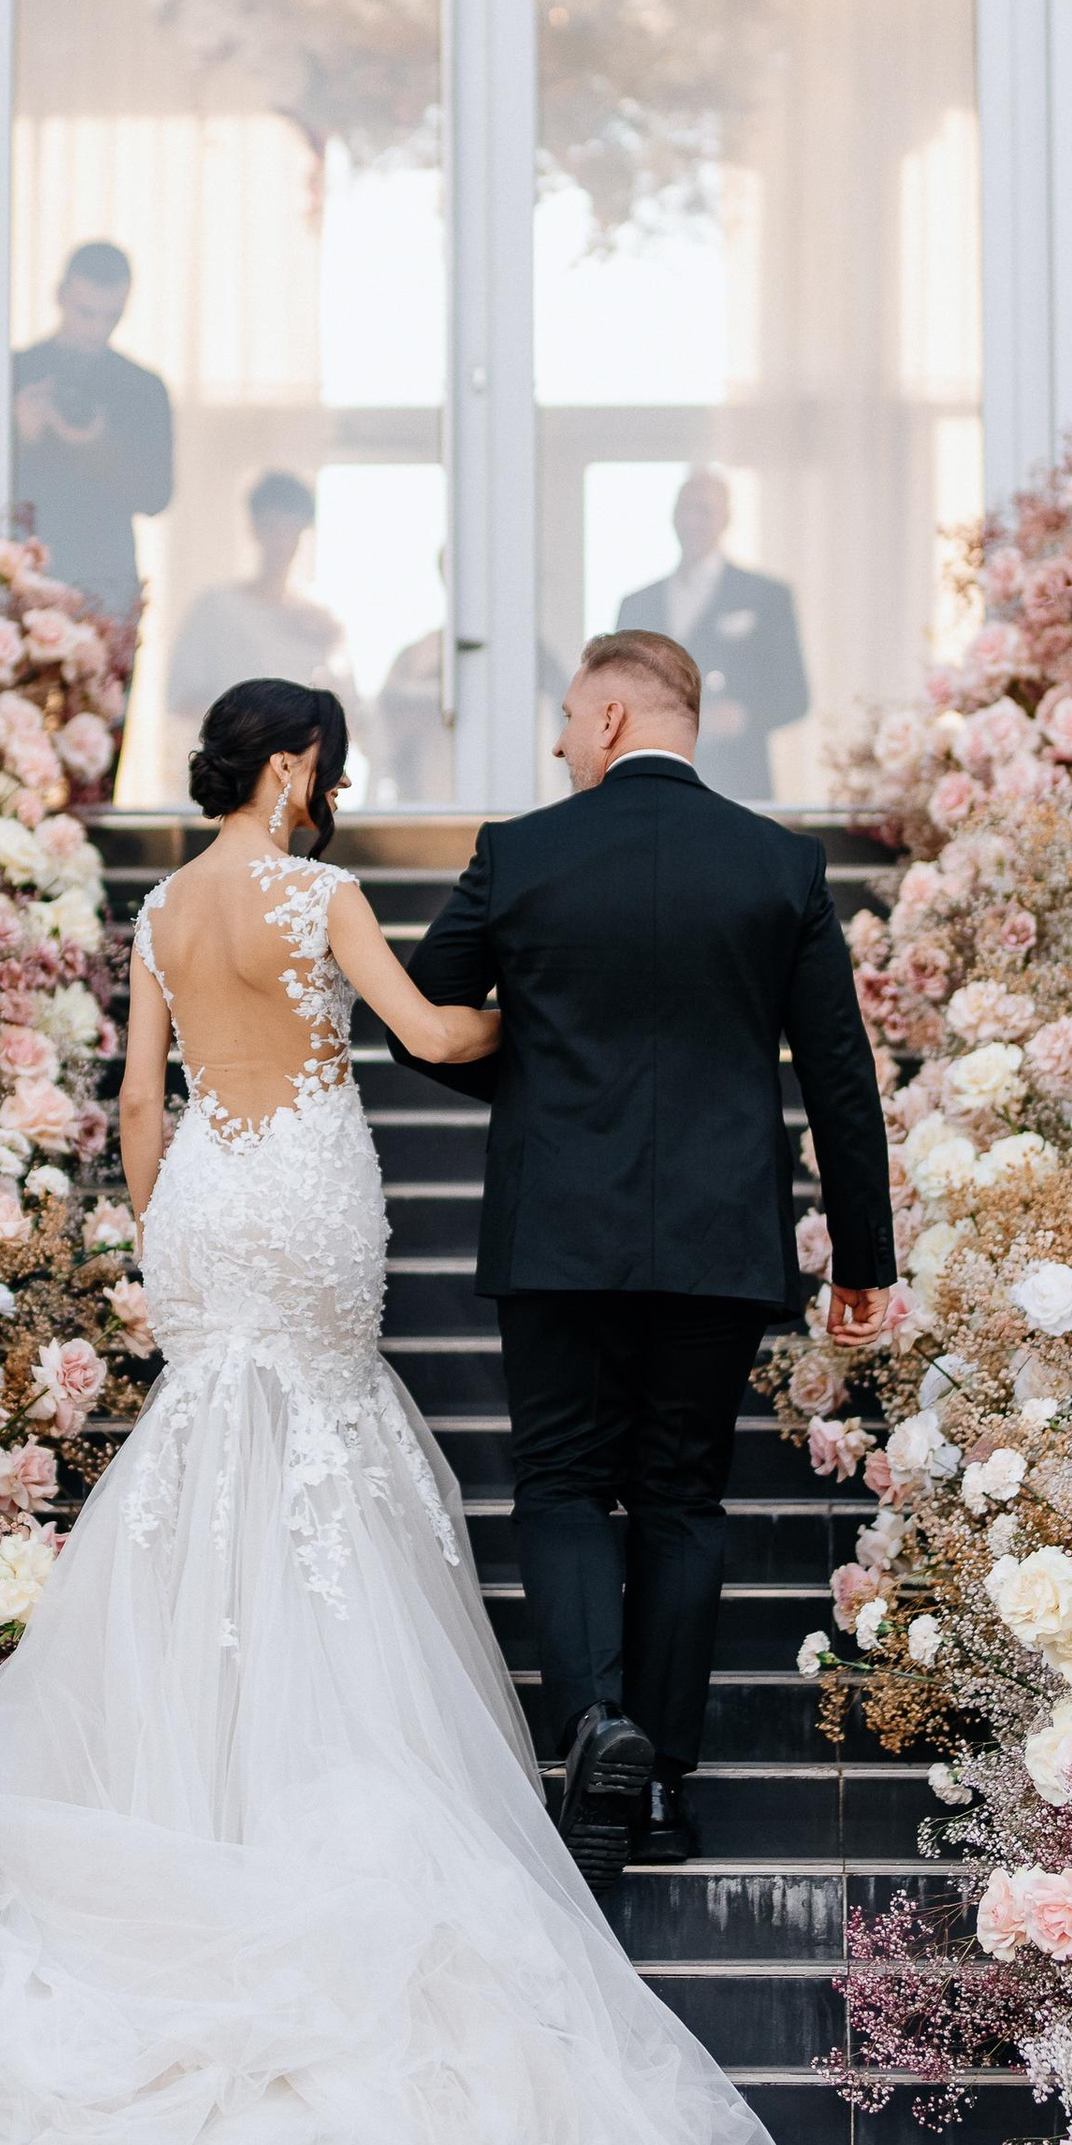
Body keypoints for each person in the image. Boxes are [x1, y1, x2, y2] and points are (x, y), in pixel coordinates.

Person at [0, 677, 786, 2145]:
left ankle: (186, 1751)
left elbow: (141, 1102)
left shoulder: (165, 902)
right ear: (298, 768)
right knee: (328, 1437)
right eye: (327, 766)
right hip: (307, 1188)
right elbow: (436, 1030)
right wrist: (571, 1012)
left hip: (215, 1201)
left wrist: (170, 1238)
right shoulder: (321, 893)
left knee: (211, 1438)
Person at [406, 626, 894, 1883]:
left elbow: (425, 1017)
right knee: (680, 1493)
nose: (560, 740)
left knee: (565, 1481)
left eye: (568, 717)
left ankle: (594, 1725)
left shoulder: (522, 854)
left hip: (558, 1225)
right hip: (720, 1233)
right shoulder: (779, 866)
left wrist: (548, 1080)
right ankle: (665, 1785)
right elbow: (840, 1079)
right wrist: (862, 1262)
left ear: (613, 722)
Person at [617, 466, 808, 804]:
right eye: (684, 510)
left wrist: (743, 717)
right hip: (657, 783)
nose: (692, 521)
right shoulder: (637, 605)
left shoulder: (765, 596)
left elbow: (795, 694)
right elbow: (619, 693)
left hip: (739, 784)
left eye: (703, 510)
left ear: (726, 519)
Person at [10, 241, 174, 628]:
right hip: (26, 569)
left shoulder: (141, 388)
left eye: (110, 317)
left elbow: (156, 496)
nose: (96, 329)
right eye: (85, 313)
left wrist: (97, 444)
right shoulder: (16, 373)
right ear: (59, 296)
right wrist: (22, 436)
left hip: (106, 579)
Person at [164, 469, 356, 733]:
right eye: (272, 527)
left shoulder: (317, 623)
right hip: (232, 764)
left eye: (291, 529)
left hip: (296, 768)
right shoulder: (216, 609)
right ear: (254, 527)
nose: (281, 541)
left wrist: (333, 644)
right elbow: (181, 698)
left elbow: (348, 715)